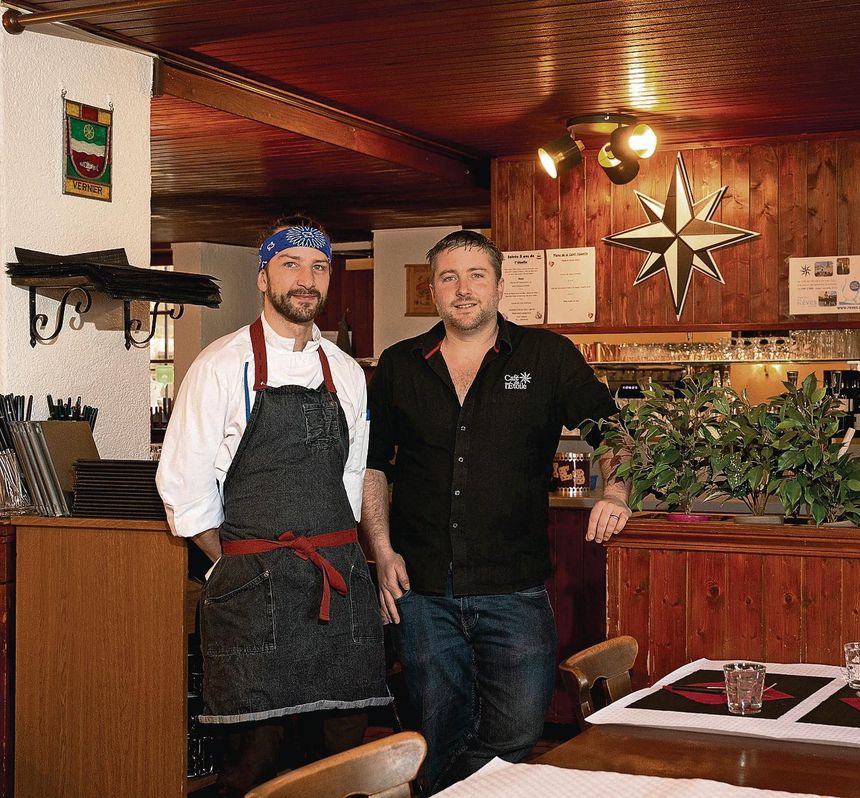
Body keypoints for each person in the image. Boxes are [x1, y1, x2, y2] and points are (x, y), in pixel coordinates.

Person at [362, 230, 629, 793]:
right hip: (422, 590)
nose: (464, 289)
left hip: (514, 588)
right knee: (435, 730)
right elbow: (374, 466)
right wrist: (381, 551)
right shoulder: (398, 364)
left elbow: (614, 434)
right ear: (431, 289)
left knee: (518, 729)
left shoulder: (547, 355)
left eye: (476, 276)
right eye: (449, 277)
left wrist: (615, 492)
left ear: (500, 286)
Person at [157, 215, 391, 796]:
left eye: (318, 268)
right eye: (290, 265)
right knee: (252, 765)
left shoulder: (345, 372)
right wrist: (237, 562)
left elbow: (351, 473)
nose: (305, 280)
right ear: (263, 277)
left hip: (337, 587)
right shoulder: (219, 365)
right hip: (252, 594)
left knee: (343, 762)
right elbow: (184, 489)